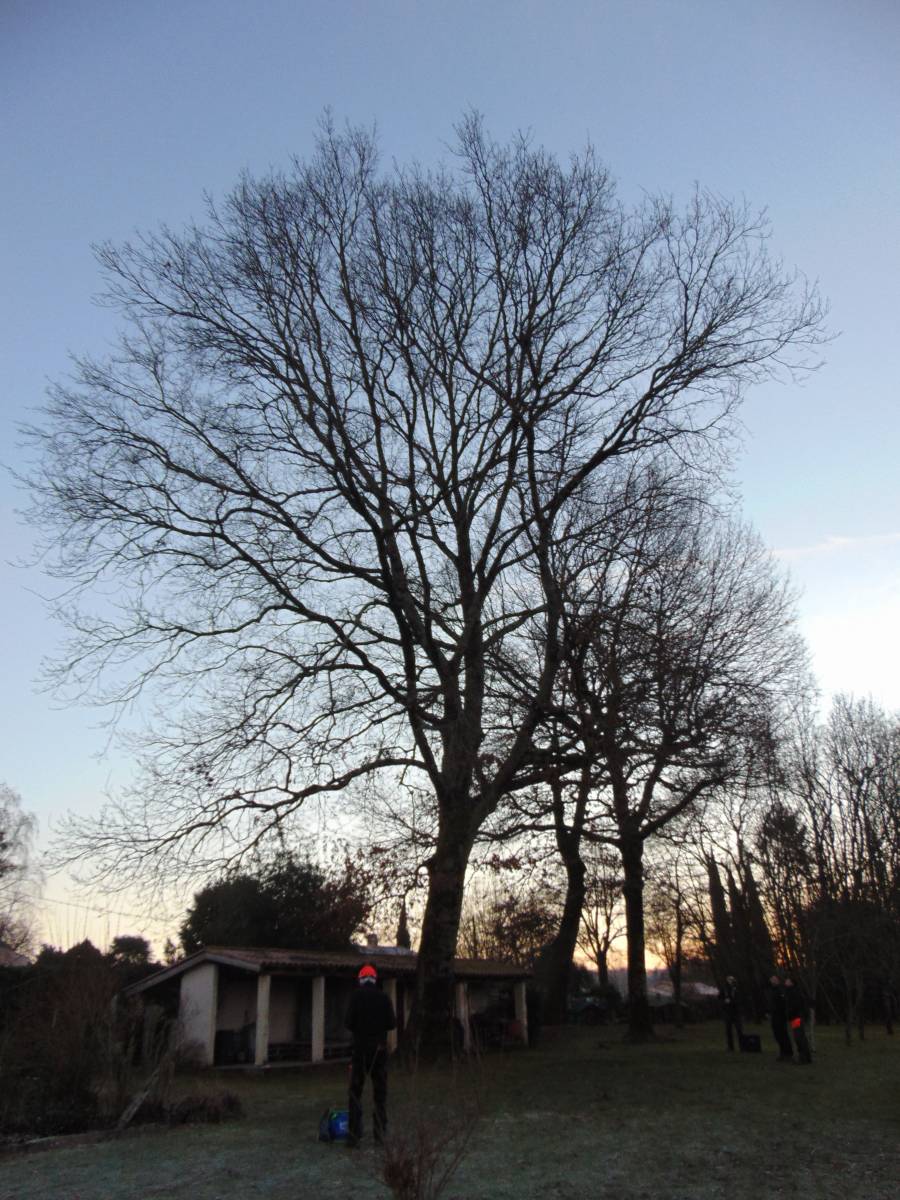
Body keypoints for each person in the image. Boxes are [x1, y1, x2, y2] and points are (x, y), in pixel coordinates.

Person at [345, 963, 396, 1146]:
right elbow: (392, 1023)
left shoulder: (355, 997)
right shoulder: (384, 998)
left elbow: (348, 1023)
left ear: (361, 979)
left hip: (359, 1051)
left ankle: (353, 1135)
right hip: (379, 1052)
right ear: (375, 979)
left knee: (355, 1092)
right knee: (380, 1094)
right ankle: (380, 1134)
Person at [783, 975, 812, 1065]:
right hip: (795, 1017)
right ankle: (806, 1057)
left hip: (797, 1017)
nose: (785, 982)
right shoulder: (790, 992)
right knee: (800, 1037)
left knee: (799, 1037)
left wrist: (790, 1014)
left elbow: (795, 1005)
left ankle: (803, 1057)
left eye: (787, 980)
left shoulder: (794, 992)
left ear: (792, 982)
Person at [768, 974, 794, 1062]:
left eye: (774, 979)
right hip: (774, 1016)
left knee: (783, 1035)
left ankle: (788, 1054)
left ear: (778, 980)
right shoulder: (771, 990)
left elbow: (783, 1004)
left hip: (780, 1016)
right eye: (772, 979)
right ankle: (782, 1053)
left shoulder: (781, 990)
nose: (773, 981)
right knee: (777, 1035)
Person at [719, 975, 743, 1051]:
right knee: (728, 1030)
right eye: (729, 979)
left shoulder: (737, 988)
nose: (730, 981)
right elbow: (720, 998)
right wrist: (724, 1002)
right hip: (728, 1012)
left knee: (739, 1030)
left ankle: (742, 1046)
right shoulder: (724, 989)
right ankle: (730, 1047)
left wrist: (731, 1002)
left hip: (736, 1012)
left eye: (732, 979)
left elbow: (739, 1000)